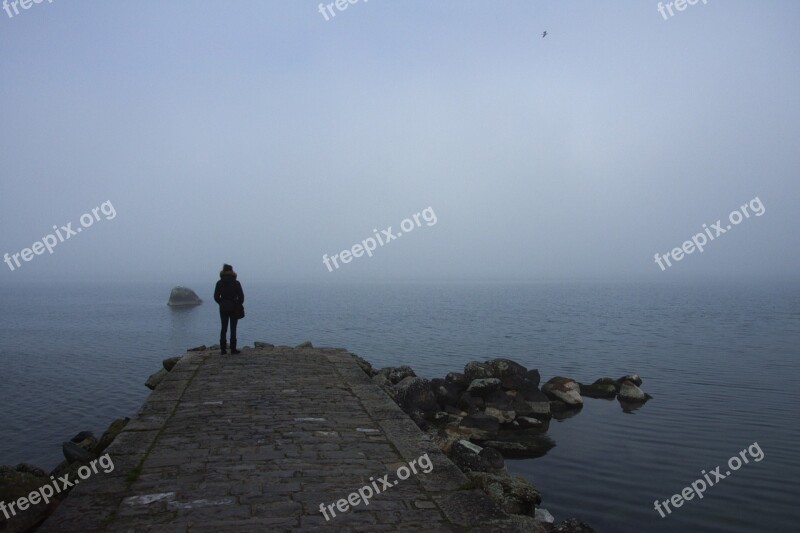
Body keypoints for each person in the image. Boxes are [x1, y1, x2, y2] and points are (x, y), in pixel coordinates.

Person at [214, 264, 244, 355]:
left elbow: (216, 296)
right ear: (232, 271)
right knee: (233, 328)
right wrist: (238, 303)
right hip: (234, 307)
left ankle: (223, 349)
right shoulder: (236, 283)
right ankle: (233, 349)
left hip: (223, 307)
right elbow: (241, 297)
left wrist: (221, 302)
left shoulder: (219, 283)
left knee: (223, 328)